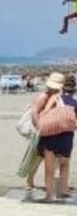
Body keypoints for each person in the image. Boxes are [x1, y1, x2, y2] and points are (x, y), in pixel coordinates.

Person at [35, 73, 77, 202]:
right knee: (64, 164)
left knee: (50, 167)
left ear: (62, 88)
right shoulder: (75, 102)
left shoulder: (55, 98)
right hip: (67, 135)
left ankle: (49, 196)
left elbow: (46, 112)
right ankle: (63, 191)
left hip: (51, 135)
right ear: (74, 90)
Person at [23, 72, 64, 190]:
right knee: (37, 157)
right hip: (42, 130)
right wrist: (39, 126)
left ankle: (43, 182)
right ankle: (29, 180)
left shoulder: (54, 96)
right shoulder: (44, 96)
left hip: (51, 130)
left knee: (48, 157)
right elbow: (34, 111)